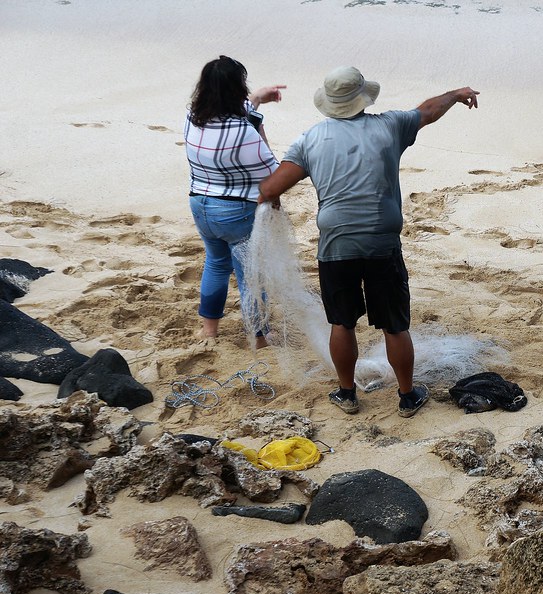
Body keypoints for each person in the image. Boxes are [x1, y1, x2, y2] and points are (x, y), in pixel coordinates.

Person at [258, 66, 479, 418]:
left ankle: (347, 394)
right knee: (395, 324)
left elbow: (270, 189)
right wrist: (455, 94)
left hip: (335, 245)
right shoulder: (390, 126)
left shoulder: (310, 139)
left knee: (342, 323)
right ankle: (407, 397)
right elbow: (427, 112)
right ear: (363, 98)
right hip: (382, 243)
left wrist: (270, 202)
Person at [185, 55, 286, 348]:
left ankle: (209, 331)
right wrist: (257, 122)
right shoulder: (244, 132)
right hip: (235, 211)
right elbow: (273, 173)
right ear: (237, 90)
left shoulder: (192, 119)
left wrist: (255, 100)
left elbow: (229, 116)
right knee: (250, 274)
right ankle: (258, 336)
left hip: (200, 204)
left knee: (216, 264)